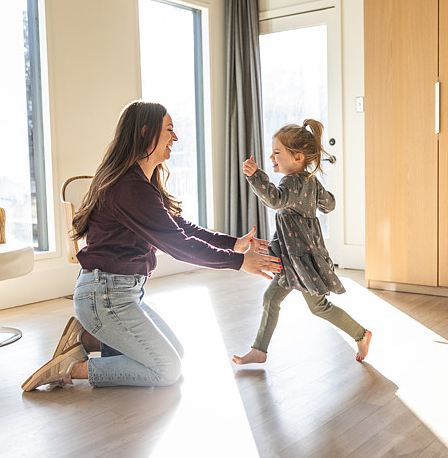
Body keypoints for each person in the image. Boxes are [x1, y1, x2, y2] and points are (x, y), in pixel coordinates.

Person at [22, 101, 281, 391]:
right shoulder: (128, 187)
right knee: (166, 370)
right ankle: (70, 368)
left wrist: (234, 244)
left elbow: (180, 227)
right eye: (169, 130)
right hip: (104, 297)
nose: (175, 138)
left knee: (175, 356)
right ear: (146, 132)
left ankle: (85, 339)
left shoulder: (140, 182)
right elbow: (178, 244)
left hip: (119, 295)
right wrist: (240, 262)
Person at [232, 119, 372, 365]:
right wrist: (317, 197)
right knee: (271, 299)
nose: (272, 157)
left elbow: (275, 201)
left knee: (318, 307)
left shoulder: (292, 182)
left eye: (277, 153)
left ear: (297, 157)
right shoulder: (309, 181)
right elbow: (328, 205)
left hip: (300, 260)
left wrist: (256, 177)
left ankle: (361, 334)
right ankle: (259, 350)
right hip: (293, 257)